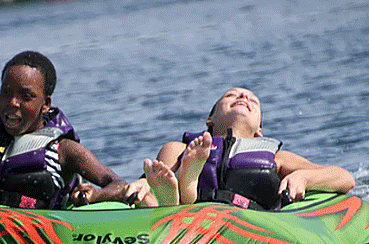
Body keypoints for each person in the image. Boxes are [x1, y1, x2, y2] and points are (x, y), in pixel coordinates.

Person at [0, 51, 143, 209]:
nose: (13, 103)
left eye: (26, 97)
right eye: (6, 93)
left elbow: (118, 184)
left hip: (31, 237)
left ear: (45, 104)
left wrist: (96, 195)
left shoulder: (65, 151)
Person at [134, 87, 355, 209]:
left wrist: (305, 178)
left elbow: (344, 178)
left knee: (166, 189)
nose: (242, 97)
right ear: (210, 119)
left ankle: (182, 191)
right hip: (189, 216)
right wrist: (144, 184)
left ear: (259, 130)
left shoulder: (276, 158)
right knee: (158, 184)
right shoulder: (182, 150)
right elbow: (159, 173)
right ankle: (176, 194)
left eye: (252, 100)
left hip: (251, 221)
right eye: (232, 95)